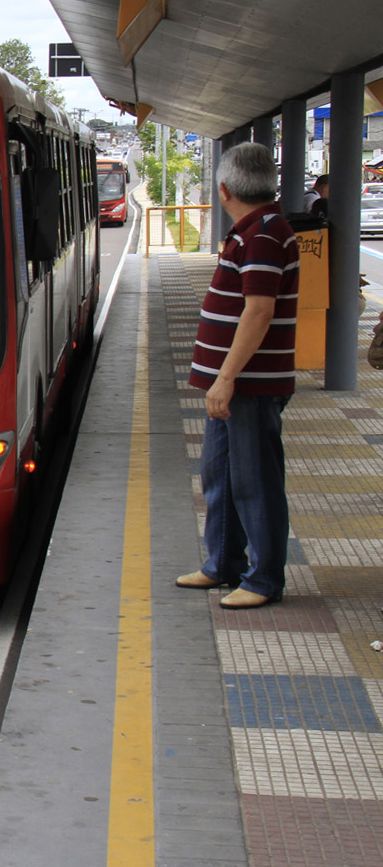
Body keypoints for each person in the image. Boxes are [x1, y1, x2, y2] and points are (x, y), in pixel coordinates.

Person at [176, 142, 299, 609]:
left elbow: (259, 311)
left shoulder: (263, 235)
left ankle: (264, 578)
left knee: (254, 479)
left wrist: (226, 377)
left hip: (249, 384)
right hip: (233, 384)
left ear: (223, 190)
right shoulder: (256, 231)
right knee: (220, 475)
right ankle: (223, 563)